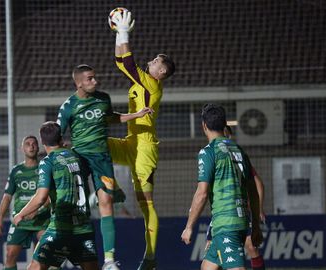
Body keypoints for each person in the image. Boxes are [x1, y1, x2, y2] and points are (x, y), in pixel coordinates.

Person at [57, 64, 152, 269]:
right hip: (80, 158)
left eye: (94, 78)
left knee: (106, 202)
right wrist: (59, 149)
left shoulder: (103, 99)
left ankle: (109, 260)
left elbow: (111, 117)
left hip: (102, 159)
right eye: (90, 79)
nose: (95, 81)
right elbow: (57, 133)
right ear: (78, 82)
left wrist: (135, 115)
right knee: (76, 206)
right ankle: (68, 252)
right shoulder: (68, 106)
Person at [108, 11, 176, 270]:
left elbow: (125, 63)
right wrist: (119, 33)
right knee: (92, 145)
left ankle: (150, 257)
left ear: (161, 72)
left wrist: (124, 32)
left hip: (145, 149)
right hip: (130, 141)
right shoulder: (146, 81)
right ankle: (112, 187)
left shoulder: (151, 85)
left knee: (146, 205)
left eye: (156, 60)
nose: (151, 60)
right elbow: (120, 61)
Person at [181, 104, 263, 270]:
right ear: (224, 124)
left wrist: (189, 227)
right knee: (207, 267)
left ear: (204, 125)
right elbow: (253, 190)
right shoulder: (238, 150)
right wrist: (255, 224)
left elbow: (202, 193)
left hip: (226, 225)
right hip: (240, 221)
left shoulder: (208, 152)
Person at [13, 121, 98, 270]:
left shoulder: (48, 161)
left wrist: (21, 214)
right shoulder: (76, 156)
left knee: (36, 267)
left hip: (60, 228)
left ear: (42, 141)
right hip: (83, 227)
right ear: (60, 138)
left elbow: (40, 197)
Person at [0, 135, 50, 270]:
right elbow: (7, 197)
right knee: (10, 254)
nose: (31, 146)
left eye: (34, 144)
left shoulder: (45, 169)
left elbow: (49, 197)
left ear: (38, 147)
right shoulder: (16, 171)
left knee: (46, 255)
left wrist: (37, 210)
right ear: (22, 149)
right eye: (27, 144)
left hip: (42, 220)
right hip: (20, 220)